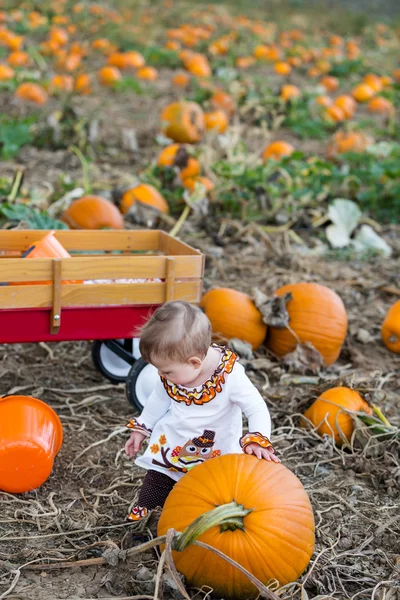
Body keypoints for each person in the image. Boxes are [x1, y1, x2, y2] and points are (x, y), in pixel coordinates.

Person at [124, 300, 279, 521]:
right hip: (175, 444)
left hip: (216, 453)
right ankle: (145, 519)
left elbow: (256, 408)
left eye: (166, 371)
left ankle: (194, 524)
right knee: (157, 479)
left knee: (211, 495)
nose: (161, 375)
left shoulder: (229, 376)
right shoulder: (175, 370)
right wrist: (142, 428)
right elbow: (158, 398)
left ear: (195, 362)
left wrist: (258, 438)